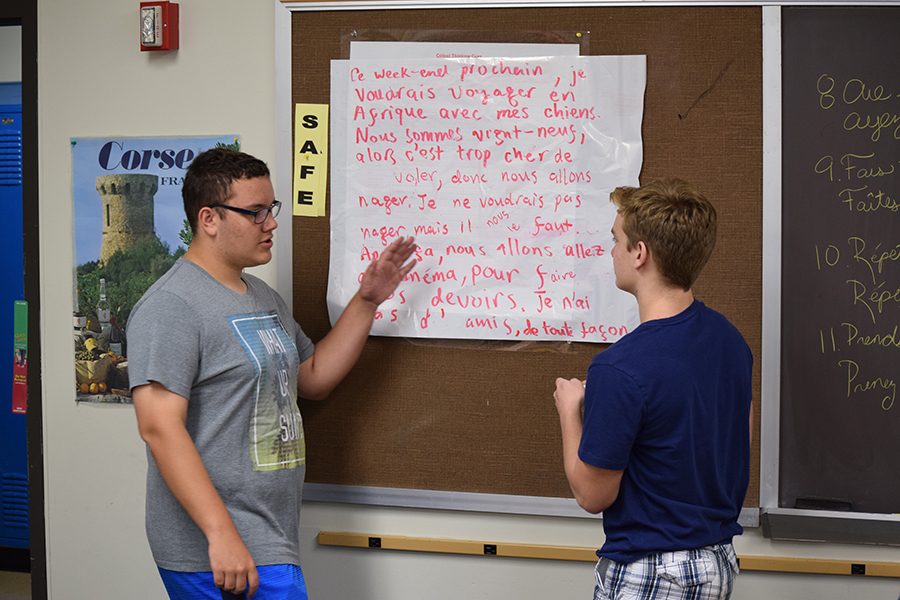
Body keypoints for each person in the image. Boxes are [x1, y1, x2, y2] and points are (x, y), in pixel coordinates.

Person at [128, 148, 416, 599]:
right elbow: (159, 427)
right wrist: (220, 534)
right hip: (214, 548)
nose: (272, 223)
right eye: (256, 212)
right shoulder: (171, 307)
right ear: (209, 219)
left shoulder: (260, 296)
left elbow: (313, 377)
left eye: (271, 209)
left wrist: (366, 301)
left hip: (267, 534)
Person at [553, 179, 751, 600]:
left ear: (639, 253)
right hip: (714, 564)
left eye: (616, 240)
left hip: (653, 574)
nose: (611, 252)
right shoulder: (731, 342)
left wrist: (570, 411)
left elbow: (592, 494)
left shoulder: (620, 367)